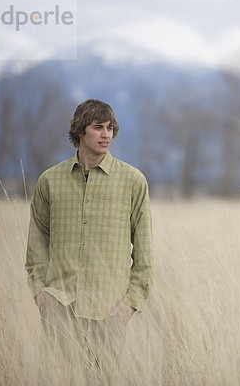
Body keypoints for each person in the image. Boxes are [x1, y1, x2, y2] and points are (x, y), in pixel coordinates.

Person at [25, 98, 153, 383]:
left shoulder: (133, 182)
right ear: (80, 131)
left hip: (109, 312)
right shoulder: (49, 181)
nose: (106, 134)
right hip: (59, 308)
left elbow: (145, 257)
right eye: (98, 127)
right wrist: (42, 296)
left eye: (110, 128)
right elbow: (36, 247)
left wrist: (129, 306)